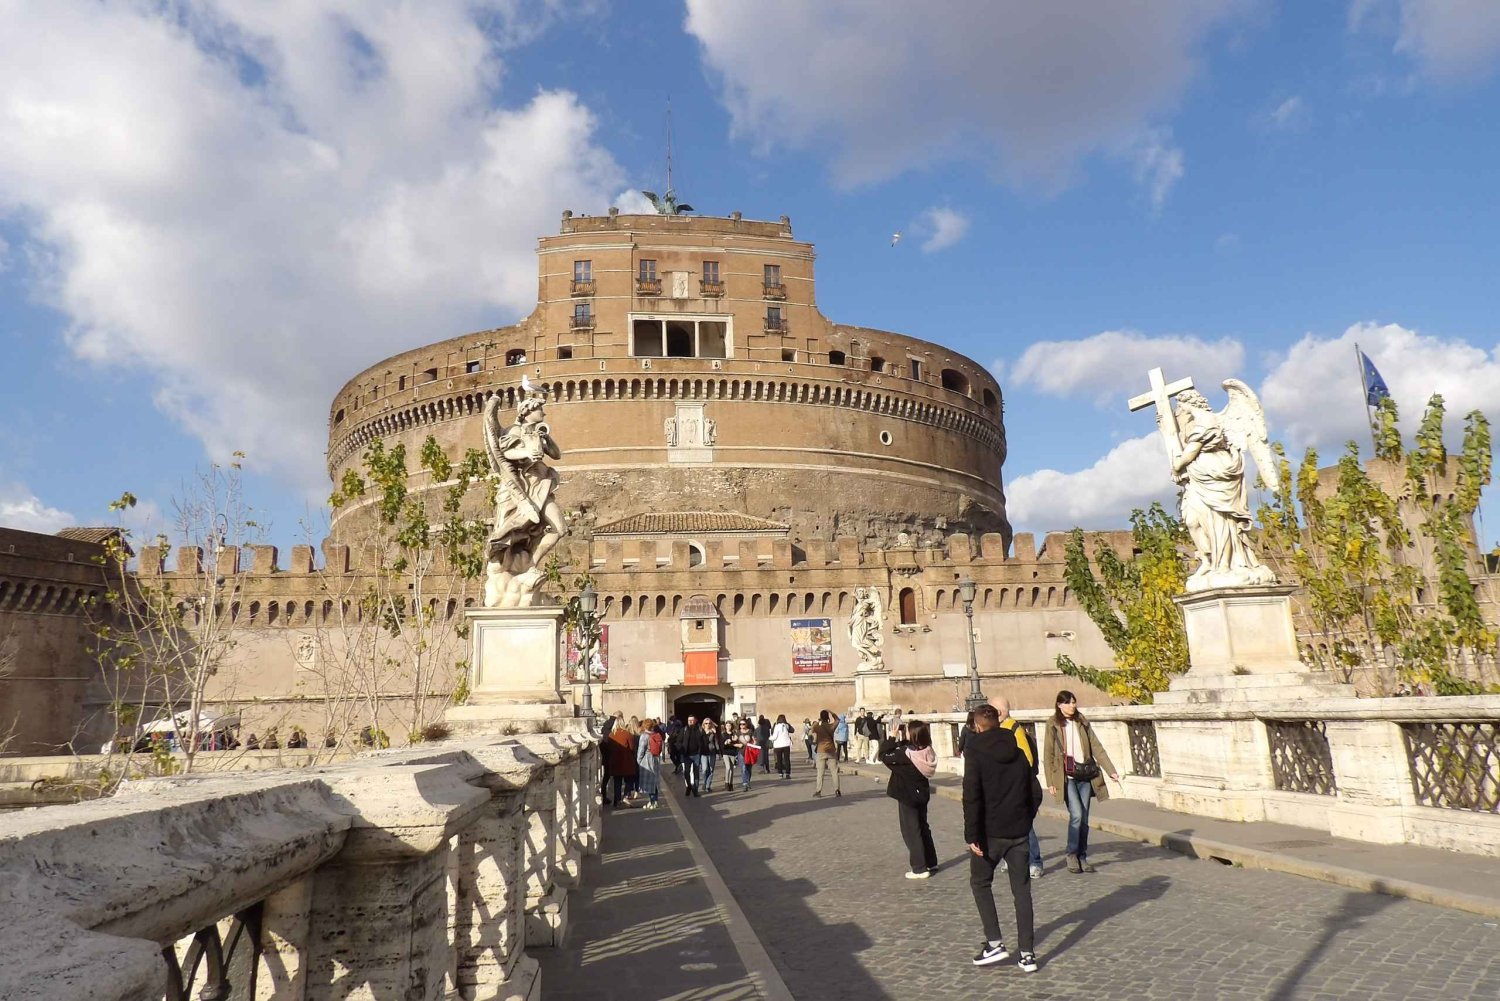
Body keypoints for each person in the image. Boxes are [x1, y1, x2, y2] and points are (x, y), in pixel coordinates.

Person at [963, 703, 1042, 973]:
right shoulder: (1018, 751)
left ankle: (995, 942)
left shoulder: (974, 751)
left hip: (989, 833)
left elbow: (971, 795)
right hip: (1019, 832)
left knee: (980, 883)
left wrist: (972, 834)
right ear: (999, 722)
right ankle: (1027, 954)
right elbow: (1035, 791)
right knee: (1022, 892)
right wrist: (1025, 818)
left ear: (977, 726)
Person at [1043, 690, 1120, 874]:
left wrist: (1111, 770)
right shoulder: (1052, 724)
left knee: (1084, 818)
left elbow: (1096, 747)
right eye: (1068, 703)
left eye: (1074, 702)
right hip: (1066, 777)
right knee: (1076, 815)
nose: (1072, 706)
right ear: (1059, 705)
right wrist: (1050, 782)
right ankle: (1071, 854)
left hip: (1085, 774)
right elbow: (1048, 753)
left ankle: (1082, 856)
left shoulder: (1082, 721)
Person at [995, 698, 1045, 879]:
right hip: (1005, 788)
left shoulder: (1014, 729)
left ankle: (1035, 862)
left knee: (1026, 826)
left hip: (1019, 787)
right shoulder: (999, 729)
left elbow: (1027, 759)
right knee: (1007, 824)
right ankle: (1010, 858)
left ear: (999, 712)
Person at [880, 720, 937, 878]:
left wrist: (891, 737)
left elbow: (883, 755)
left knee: (911, 831)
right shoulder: (927, 750)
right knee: (923, 827)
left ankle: (919, 868)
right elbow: (909, 746)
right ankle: (931, 862)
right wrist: (903, 736)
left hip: (907, 795)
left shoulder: (904, 756)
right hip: (922, 794)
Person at [604, 718, 638, 807]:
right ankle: (626, 795)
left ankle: (616, 800)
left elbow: (609, 748)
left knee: (617, 782)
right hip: (626, 761)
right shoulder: (628, 734)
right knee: (629, 779)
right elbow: (631, 748)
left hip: (615, 761)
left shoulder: (611, 735)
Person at [811, 709, 842, 798]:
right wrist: (832, 712)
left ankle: (818, 791)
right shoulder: (831, 726)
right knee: (834, 771)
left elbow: (812, 729)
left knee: (820, 772)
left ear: (821, 717)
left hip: (821, 751)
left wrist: (818, 721)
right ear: (827, 717)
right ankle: (837, 790)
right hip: (831, 750)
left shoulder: (818, 727)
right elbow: (837, 720)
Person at [636, 717, 663, 810]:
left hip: (647, 759)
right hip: (655, 758)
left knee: (649, 782)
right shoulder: (656, 734)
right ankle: (655, 801)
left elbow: (641, 750)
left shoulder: (644, 736)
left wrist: (639, 761)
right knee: (654, 781)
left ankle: (652, 802)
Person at [680, 715, 706, 796]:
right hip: (686, 755)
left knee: (696, 772)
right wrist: (681, 749)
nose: (690, 722)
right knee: (686, 772)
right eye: (689, 720)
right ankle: (689, 786)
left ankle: (695, 790)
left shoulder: (700, 730)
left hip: (696, 755)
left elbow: (704, 741)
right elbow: (678, 741)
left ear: (695, 721)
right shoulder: (684, 730)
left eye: (692, 720)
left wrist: (702, 750)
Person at [700, 719, 722, 793]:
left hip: (712, 752)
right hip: (704, 753)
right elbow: (700, 741)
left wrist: (719, 752)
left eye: (709, 723)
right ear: (703, 724)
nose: (708, 725)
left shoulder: (713, 732)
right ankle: (705, 782)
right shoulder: (701, 731)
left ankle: (708, 786)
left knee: (711, 770)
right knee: (704, 769)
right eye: (706, 723)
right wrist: (706, 733)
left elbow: (716, 742)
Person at [770, 714, 794, 778]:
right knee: (787, 759)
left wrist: (769, 738)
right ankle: (788, 773)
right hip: (786, 744)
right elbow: (792, 730)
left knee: (779, 759)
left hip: (778, 745)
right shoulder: (786, 725)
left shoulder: (776, 726)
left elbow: (774, 736)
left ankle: (780, 773)